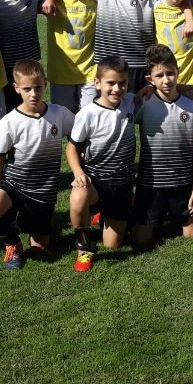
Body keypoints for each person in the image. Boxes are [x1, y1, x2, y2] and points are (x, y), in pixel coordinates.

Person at [0, 59, 75, 270]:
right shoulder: (9, 122)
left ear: (45, 84)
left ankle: (25, 222)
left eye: (38, 87)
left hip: (43, 193)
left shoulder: (59, 113)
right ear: (16, 88)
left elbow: (80, 134)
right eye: (27, 89)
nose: (33, 94)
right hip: (14, 185)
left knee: (39, 250)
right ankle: (12, 243)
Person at [67, 55, 138, 272]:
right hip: (95, 182)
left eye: (122, 83)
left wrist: (148, 90)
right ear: (97, 83)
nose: (117, 89)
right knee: (78, 198)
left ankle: (113, 210)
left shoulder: (131, 102)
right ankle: (84, 247)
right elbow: (71, 148)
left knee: (113, 244)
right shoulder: (87, 114)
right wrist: (78, 173)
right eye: (110, 83)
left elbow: (153, 93)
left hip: (122, 183)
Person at [131, 44, 193, 243]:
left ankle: (174, 213)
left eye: (170, 73)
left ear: (178, 72)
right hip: (150, 184)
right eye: (159, 75)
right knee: (141, 240)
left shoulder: (190, 105)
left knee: (191, 236)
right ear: (150, 79)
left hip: (182, 184)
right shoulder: (143, 103)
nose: (166, 80)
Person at [45, 0, 97, 113]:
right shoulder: (50, 0)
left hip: (90, 73)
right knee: (65, 120)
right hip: (61, 74)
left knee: (90, 120)